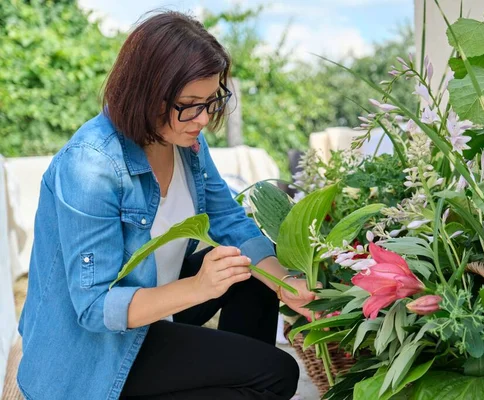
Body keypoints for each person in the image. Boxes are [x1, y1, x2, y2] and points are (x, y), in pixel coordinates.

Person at [17, 11, 316, 400]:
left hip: (155, 306)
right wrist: (198, 287)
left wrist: (285, 282)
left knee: (250, 273)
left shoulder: (185, 141)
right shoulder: (90, 165)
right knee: (276, 374)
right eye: (190, 104)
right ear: (145, 92)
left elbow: (228, 219)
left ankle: (236, 375)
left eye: (211, 102)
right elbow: (95, 309)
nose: (203, 119)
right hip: (93, 352)